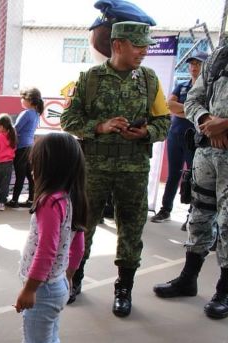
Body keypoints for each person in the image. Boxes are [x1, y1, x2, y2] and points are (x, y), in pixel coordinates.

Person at [60, 21, 170, 316]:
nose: (144, 51)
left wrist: (146, 132)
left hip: (134, 169)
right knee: (83, 225)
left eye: (146, 45)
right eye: (138, 45)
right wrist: (100, 126)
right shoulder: (90, 79)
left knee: (132, 229)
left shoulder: (149, 80)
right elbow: (67, 119)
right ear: (118, 45)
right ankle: (75, 278)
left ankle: (124, 289)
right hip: (93, 168)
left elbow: (165, 122)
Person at [0, 132, 86, 343]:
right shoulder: (70, 197)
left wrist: (29, 289)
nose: (32, 170)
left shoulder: (50, 202)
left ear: (49, 168)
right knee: (50, 342)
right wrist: (70, 277)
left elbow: (47, 251)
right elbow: (78, 245)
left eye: (36, 164)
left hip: (43, 290)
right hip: (58, 284)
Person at [152, 45, 228, 320]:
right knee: (199, 215)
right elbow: (194, 99)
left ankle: (224, 290)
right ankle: (188, 279)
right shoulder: (220, 57)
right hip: (206, 151)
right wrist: (207, 120)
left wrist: (226, 124)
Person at [151, 51, 209, 224]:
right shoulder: (182, 85)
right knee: (173, 174)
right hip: (175, 135)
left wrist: (184, 109)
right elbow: (169, 105)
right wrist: (193, 111)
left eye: (198, 64)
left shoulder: (208, 88)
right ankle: (165, 209)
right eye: (192, 64)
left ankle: (192, 213)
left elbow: (207, 112)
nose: (194, 67)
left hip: (196, 138)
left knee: (194, 176)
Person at [6, 88, 44, 209]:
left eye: (23, 98)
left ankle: (15, 200)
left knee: (20, 175)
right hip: (29, 146)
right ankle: (31, 199)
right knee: (29, 174)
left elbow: (15, 129)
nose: (21, 100)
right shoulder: (36, 113)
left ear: (29, 100)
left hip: (21, 147)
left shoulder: (27, 113)